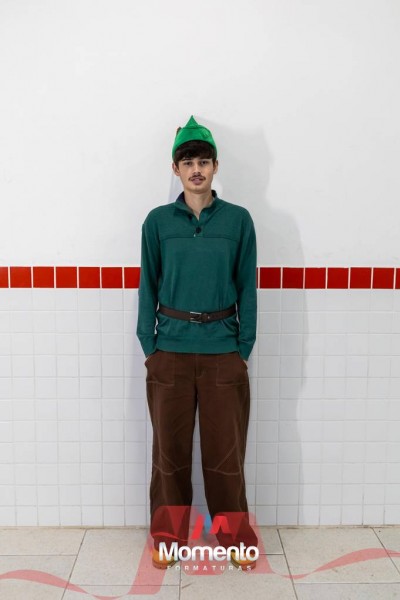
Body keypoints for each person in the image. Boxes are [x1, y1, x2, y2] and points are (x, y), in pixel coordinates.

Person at [136, 116, 258, 569]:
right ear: (176, 169)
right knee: (169, 455)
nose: (196, 170)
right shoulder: (157, 222)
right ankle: (168, 538)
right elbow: (148, 284)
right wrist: (150, 346)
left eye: (203, 161)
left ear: (215, 167)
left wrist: (242, 348)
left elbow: (247, 287)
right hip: (169, 353)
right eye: (188, 162)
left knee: (226, 455)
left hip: (223, 354)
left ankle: (233, 537)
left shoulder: (238, 221)